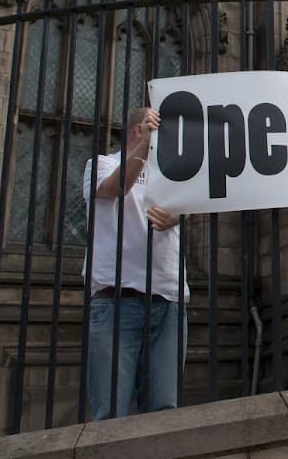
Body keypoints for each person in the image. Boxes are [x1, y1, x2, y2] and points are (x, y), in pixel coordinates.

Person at [82, 106, 187, 421]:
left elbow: (188, 208)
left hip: (168, 299)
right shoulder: (102, 164)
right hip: (117, 301)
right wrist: (145, 146)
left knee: (163, 411)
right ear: (138, 130)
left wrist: (177, 217)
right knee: (111, 412)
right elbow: (115, 188)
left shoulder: (171, 173)